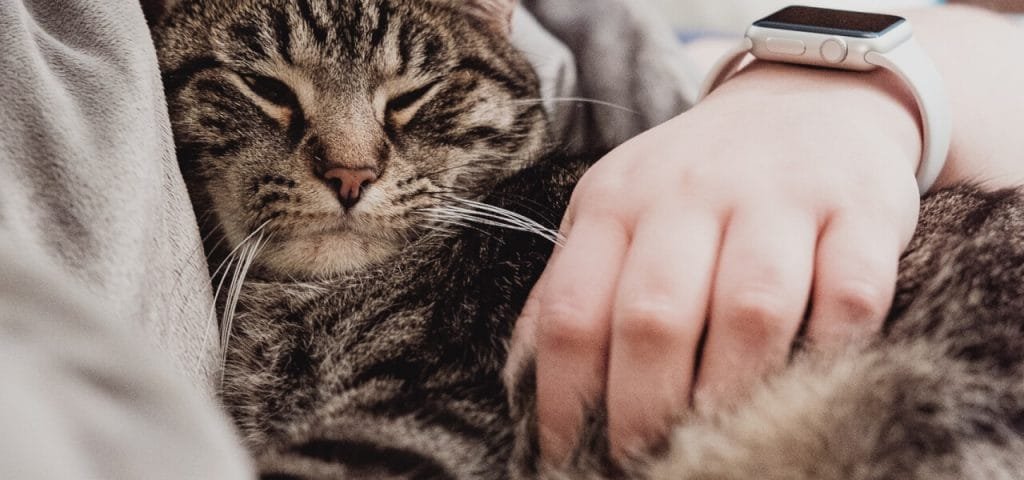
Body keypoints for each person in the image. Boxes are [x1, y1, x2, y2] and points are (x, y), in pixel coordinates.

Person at [0, 0, 1022, 477]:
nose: (351, 166)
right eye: (266, 92)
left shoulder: (536, 208)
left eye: (419, 100)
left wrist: (835, 95)